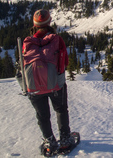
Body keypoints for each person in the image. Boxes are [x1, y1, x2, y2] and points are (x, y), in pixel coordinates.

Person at [20, 9, 73, 155]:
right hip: (56, 85)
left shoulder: (27, 43)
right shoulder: (56, 39)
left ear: (35, 25)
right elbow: (65, 62)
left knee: (42, 116)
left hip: (34, 87)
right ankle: (65, 139)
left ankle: (50, 142)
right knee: (61, 110)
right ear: (49, 22)